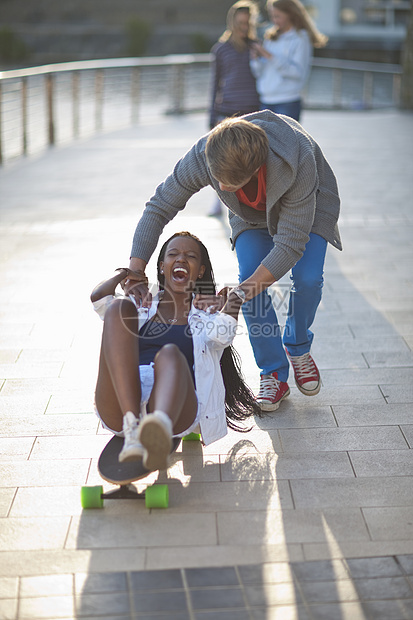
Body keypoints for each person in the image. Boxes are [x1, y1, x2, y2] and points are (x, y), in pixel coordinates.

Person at [125, 111, 342, 413]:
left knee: (307, 279)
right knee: (250, 279)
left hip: (311, 205)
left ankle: (298, 344)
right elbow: (160, 206)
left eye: (229, 184)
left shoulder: (297, 159)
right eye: (219, 182)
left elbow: (290, 244)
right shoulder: (205, 154)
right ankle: (273, 373)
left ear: (257, 168)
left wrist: (238, 293)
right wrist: (136, 269)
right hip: (251, 218)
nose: (222, 189)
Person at [91, 231, 262, 468]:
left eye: (190, 256)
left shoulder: (206, 312)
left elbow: (222, 335)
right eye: (173, 254)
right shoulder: (142, 303)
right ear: (162, 267)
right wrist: (127, 275)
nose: (181, 259)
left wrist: (233, 301)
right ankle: (132, 427)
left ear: (200, 271)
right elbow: (99, 299)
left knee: (171, 353)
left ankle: (158, 431)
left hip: (176, 405)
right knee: (117, 308)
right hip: (121, 400)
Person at [208, 0, 260, 216]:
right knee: (221, 159)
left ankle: (250, 202)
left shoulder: (256, 47)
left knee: (249, 159)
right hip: (226, 110)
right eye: (239, 23)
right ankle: (218, 202)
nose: (243, 27)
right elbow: (215, 83)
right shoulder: (220, 49)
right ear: (232, 22)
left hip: (252, 109)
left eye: (247, 23)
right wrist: (211, 114)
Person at [250, 0, 328, 122]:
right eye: (272, 16)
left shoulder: (301, 38)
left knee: (285, 141)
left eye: (278, 16)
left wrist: (269, 56)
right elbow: (259, 73)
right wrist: (255, 59)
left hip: (287, 102)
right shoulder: (271, 37)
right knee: (264, 141)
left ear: (290, 14)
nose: (274, 20)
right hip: (265, 101)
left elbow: (297, 73)